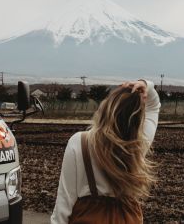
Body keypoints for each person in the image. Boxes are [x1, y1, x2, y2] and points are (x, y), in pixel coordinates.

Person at [51, 80, 160, 224]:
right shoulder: (138, 145)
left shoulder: (80, 142)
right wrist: (146, 85)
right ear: (138, 119)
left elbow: (64, 202)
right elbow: (154, 107)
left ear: (106, 109)